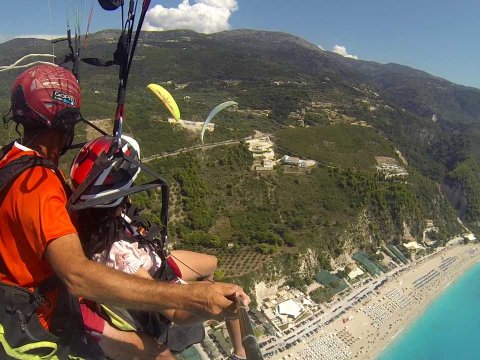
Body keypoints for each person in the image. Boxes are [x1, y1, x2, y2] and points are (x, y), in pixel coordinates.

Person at [0, 64, 249, 359]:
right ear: (67, 120)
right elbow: (77, 275)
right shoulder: (37, 184)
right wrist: (193, 297)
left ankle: (240, 351)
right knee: (160, 354)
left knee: (204, 266)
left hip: (31, 292)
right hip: (47, 316)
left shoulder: (11, 159)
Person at [71, 134, 247, 360]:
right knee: (233, 295)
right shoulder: (118, 255)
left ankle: (237, 349)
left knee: (210, 263)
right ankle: (240, 352)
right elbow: (174, 311)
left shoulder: (103, 218)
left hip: (153, 260)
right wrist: (207, 305)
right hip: (152, 275)